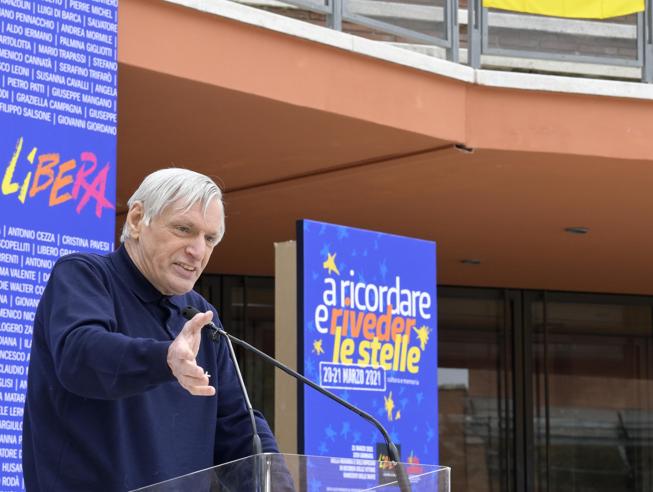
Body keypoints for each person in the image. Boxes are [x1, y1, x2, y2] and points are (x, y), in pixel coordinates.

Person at [22, 168, 279, 491]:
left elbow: (237, 426)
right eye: (184, 229)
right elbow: (81, 355)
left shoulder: (202, 315)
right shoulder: (83, 276)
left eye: (210, 239)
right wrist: (166, 359)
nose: (198, 251)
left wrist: (279, 484)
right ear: (136, 219)